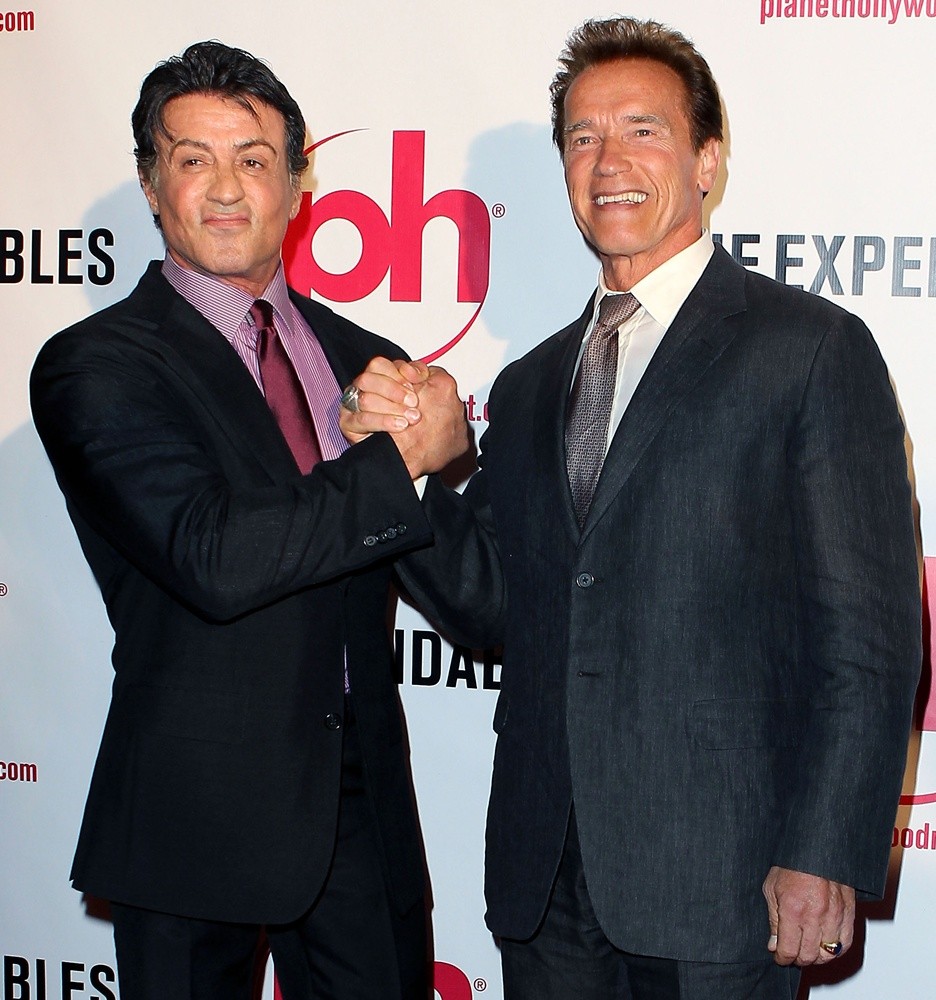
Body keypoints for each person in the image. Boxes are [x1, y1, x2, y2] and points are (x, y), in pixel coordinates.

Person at [340, 16, 922, 1000]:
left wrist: (825, 849)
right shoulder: (529, 384)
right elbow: (491, 608)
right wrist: (405, 474)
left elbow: (869, 635)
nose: (608, 160)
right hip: (545, 883)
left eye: (642, 130)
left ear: (707, 160)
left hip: (726, 879)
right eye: (583, 137)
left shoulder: (810, 349)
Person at [30, 40, 467, 1000]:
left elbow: (474, 597)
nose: (226, 188)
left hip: (362, 801)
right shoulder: (96, 365)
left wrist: (442, 456)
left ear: (299, 183)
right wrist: (398, 460)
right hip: (194, 806)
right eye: (193, 159)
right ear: (152, 186)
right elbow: (213, 554)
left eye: (254, 159)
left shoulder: (367, 359)